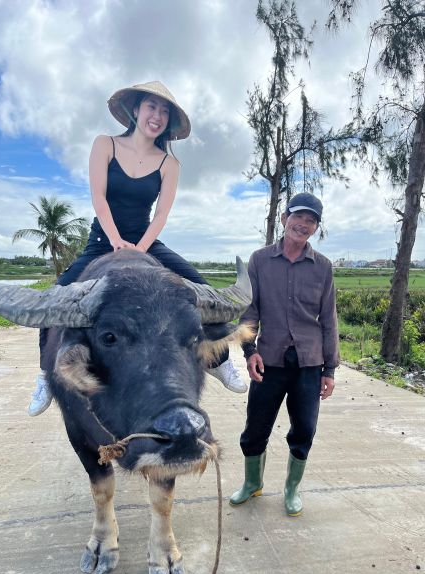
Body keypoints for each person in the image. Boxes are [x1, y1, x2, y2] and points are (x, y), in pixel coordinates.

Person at [29, 80, 247, 416]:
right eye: (151, 107)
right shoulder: (105, 145)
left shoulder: (168, 164)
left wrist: (138, 249)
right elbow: (99, 198)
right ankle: (46, 374)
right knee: (56, 298)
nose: (157, 116)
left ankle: (218, 362)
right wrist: (116, 242)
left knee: (201, 289)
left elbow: (161, 215)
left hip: (147, 243)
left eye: (164, 111)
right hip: (103, 240)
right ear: (135, 110)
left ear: (168, 122)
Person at [229, 193, 339, 515]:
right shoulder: (260, 260)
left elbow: (329, 320)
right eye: (298, 217)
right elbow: (250, 312)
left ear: (315, 228)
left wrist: (329, 370)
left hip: (309, 363)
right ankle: (253, 483)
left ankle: (292, 488)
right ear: (284, 218)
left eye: (311, 220)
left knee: (304, 428)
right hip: (270, 360)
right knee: (255, 428)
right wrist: (249, 351)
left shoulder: (323, 268)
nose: (303, 224)